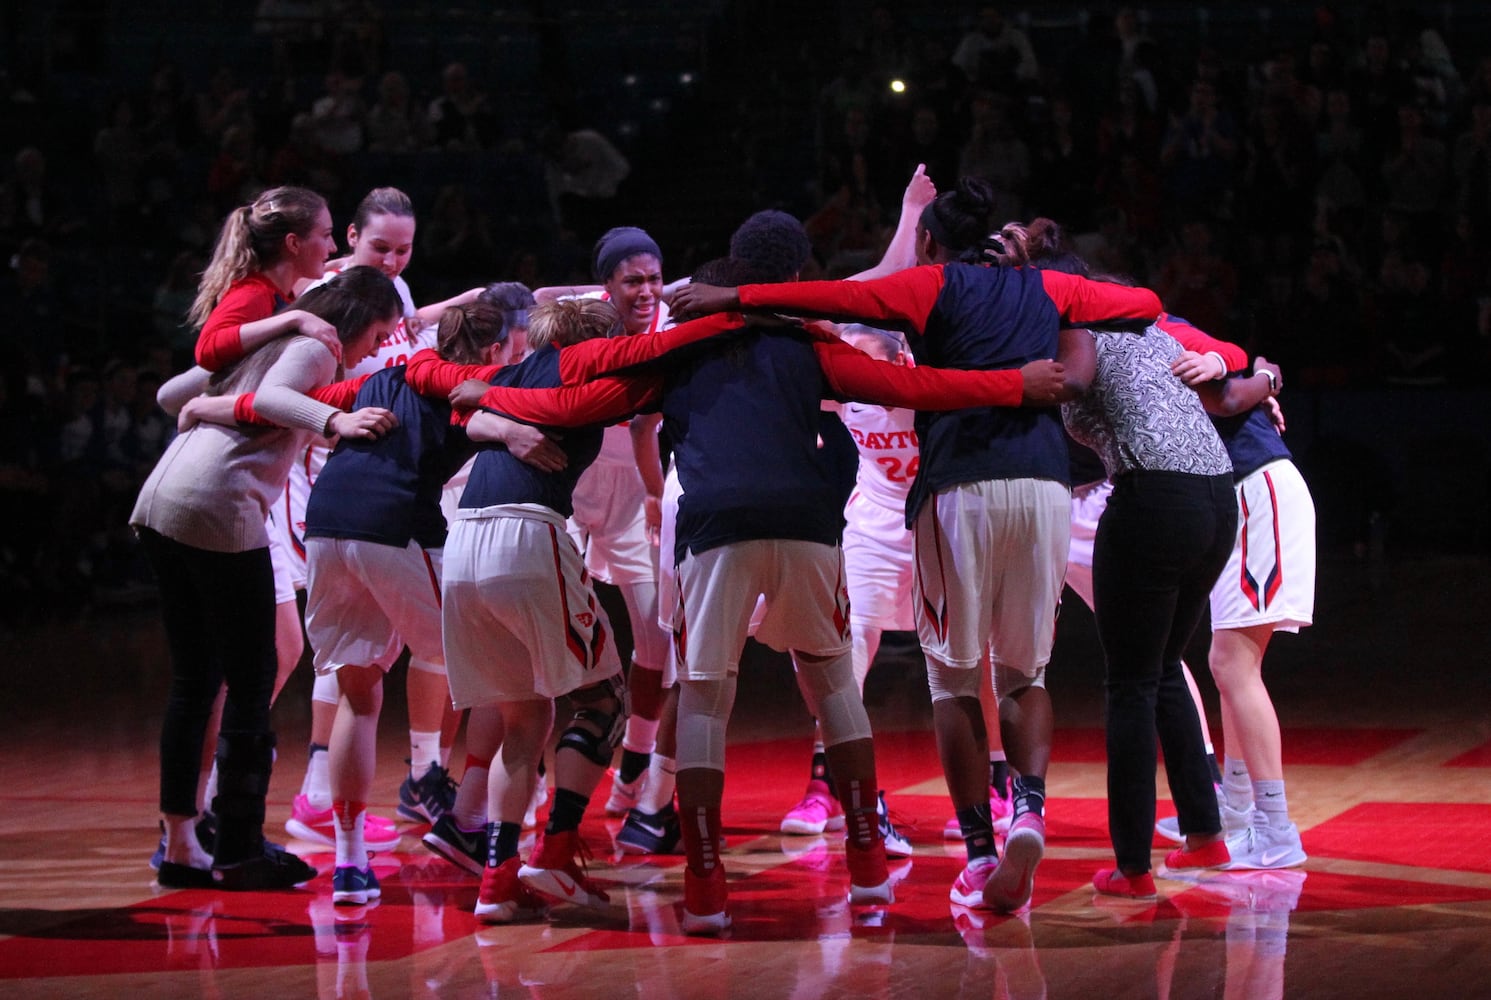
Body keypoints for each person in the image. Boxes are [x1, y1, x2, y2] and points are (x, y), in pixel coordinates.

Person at [467, 214, 1071, 934]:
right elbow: (916, 387)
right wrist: (1013, 384)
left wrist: (489, 402)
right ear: (794, 274)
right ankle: (867, 870)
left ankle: (703, 889)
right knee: (834, 687)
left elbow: (585, 402)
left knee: (703, 703)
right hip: (806, 527)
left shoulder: (678, 347)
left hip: (715, 527)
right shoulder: (810, 341)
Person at [669, 179, 1163, 915]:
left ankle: (973, 852)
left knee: (948, 683)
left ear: (929, 243)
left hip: (948, 492)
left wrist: (729, 302)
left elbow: (837, 299)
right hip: (1038, 489)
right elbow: (1144, 307)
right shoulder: (1042, 288)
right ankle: (1015, 810)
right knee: (1020, 674)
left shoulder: (920, 287)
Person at [1011, 227, 1280, 900]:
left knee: (1128, 683)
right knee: (1159, 669)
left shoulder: (1074, 325)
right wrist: (1262, 374)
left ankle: (1131, 866)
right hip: (1215, 498)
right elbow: (1221, 382)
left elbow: (1068, 382)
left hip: (1152, 495)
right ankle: (1204, 834)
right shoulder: (1146, 329)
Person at [132, 265, 401, 890]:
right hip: (217, 505)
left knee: (197, 679)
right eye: (380, 333)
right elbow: (279, 402)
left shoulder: (268, 345)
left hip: (161, 498)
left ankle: (181, 844)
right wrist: (333, 422)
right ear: (357, 320)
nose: (378, 348)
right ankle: (239, 847)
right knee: (253, 676)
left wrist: (218, 400)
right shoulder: (317, 346)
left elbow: (171, 395)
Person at [281, 187, 488, 852]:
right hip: (340, 476)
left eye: (404, 249)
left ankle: (393, 787)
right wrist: (338, 418)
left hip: (379, 477)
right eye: (381, 248)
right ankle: (339, 792)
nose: (395, 261)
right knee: (452, 652)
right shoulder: (329, 295)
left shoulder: (394, 297)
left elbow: (412, 334)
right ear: (347, 239)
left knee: (366, 664)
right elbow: (289, 388)